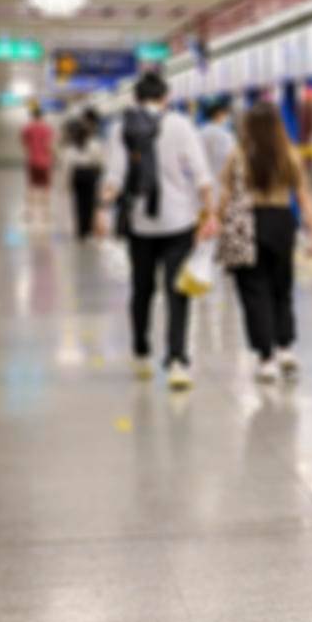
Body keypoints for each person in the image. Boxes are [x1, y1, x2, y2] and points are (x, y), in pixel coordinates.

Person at [99, 72, 216, 389]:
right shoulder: (180, 125)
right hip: (179, 223)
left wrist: (101, 210)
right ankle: (177, 361)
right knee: (178, 291)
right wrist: (209, 214)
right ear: (166, 97)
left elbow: (115, 178)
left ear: (136, 99)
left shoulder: (123, 128)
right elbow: (202, 176)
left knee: (142, 289)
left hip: (141, 224)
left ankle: (141, 352)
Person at [218, 101, 312, 383]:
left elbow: (225, 195)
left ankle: (266, 358)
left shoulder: (239, 155)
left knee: (254, 292)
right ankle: (285, 348)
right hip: (282, 223)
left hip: (249, 226)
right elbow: (303, 196)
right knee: (281, 287)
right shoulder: (289, 154)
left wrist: (214, 223)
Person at [61, 108, 105, 241]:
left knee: (78, 204)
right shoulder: (94, 144)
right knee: (90, 203)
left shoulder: (71, 148)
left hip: (77, 175)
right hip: (90, 175)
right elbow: (100, 161)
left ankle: (80, 231)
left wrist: (66, 183)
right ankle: (88, 229)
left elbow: (67, 167)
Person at [20, 103, 55, 227]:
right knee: (46, 187)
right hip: (45, 162)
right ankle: (46, 214)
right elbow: (49, 145)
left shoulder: (27, 128)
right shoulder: (47, 128)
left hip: (32, 161)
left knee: (31, 186)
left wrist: (31, 150)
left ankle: (29, 212)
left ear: (32, 115)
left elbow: (24, 143)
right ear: (42, 116)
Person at [197, 98, 237, 184]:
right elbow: (231, 159)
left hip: (205, 182)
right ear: (219, 113)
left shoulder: (199, 133)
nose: (227, 117)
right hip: (222, 181)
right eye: (226, 114)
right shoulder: (226, 135)